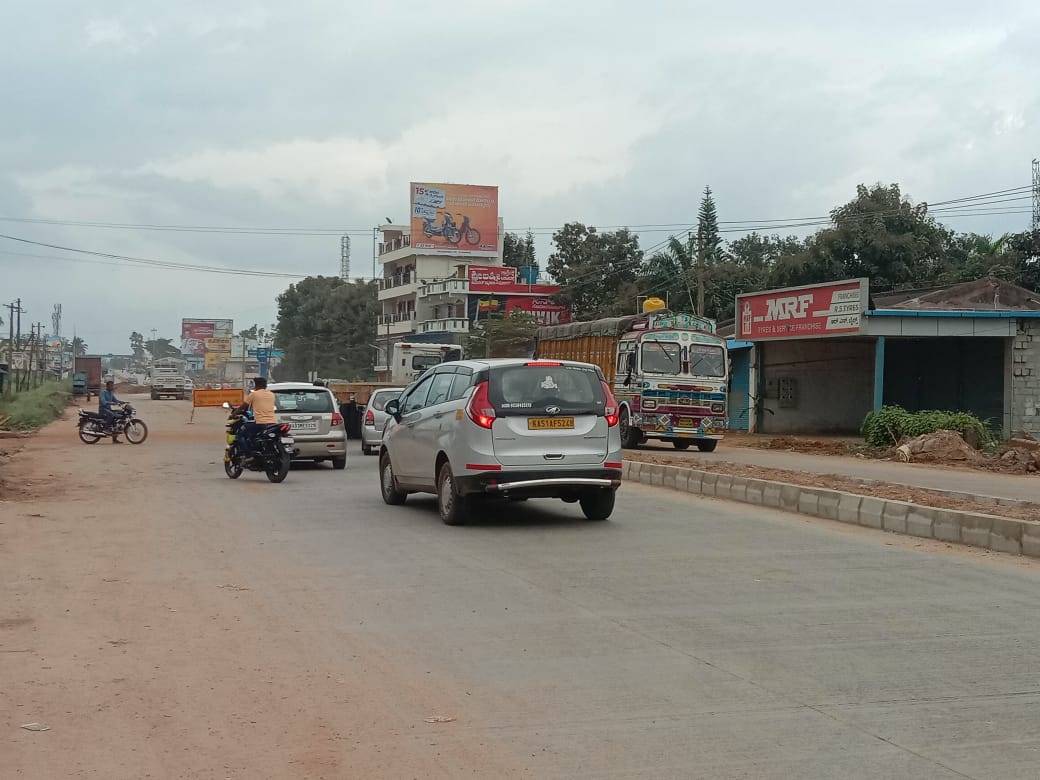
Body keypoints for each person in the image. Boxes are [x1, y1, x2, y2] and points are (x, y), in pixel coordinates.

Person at [237, 376, 277, 458]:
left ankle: (247, 454)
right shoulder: (272, 394)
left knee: (240, 433)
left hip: (260, 423)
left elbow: (244, 406)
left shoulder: (254, 394)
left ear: (257, 385)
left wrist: (234, 413)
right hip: (272, 423)